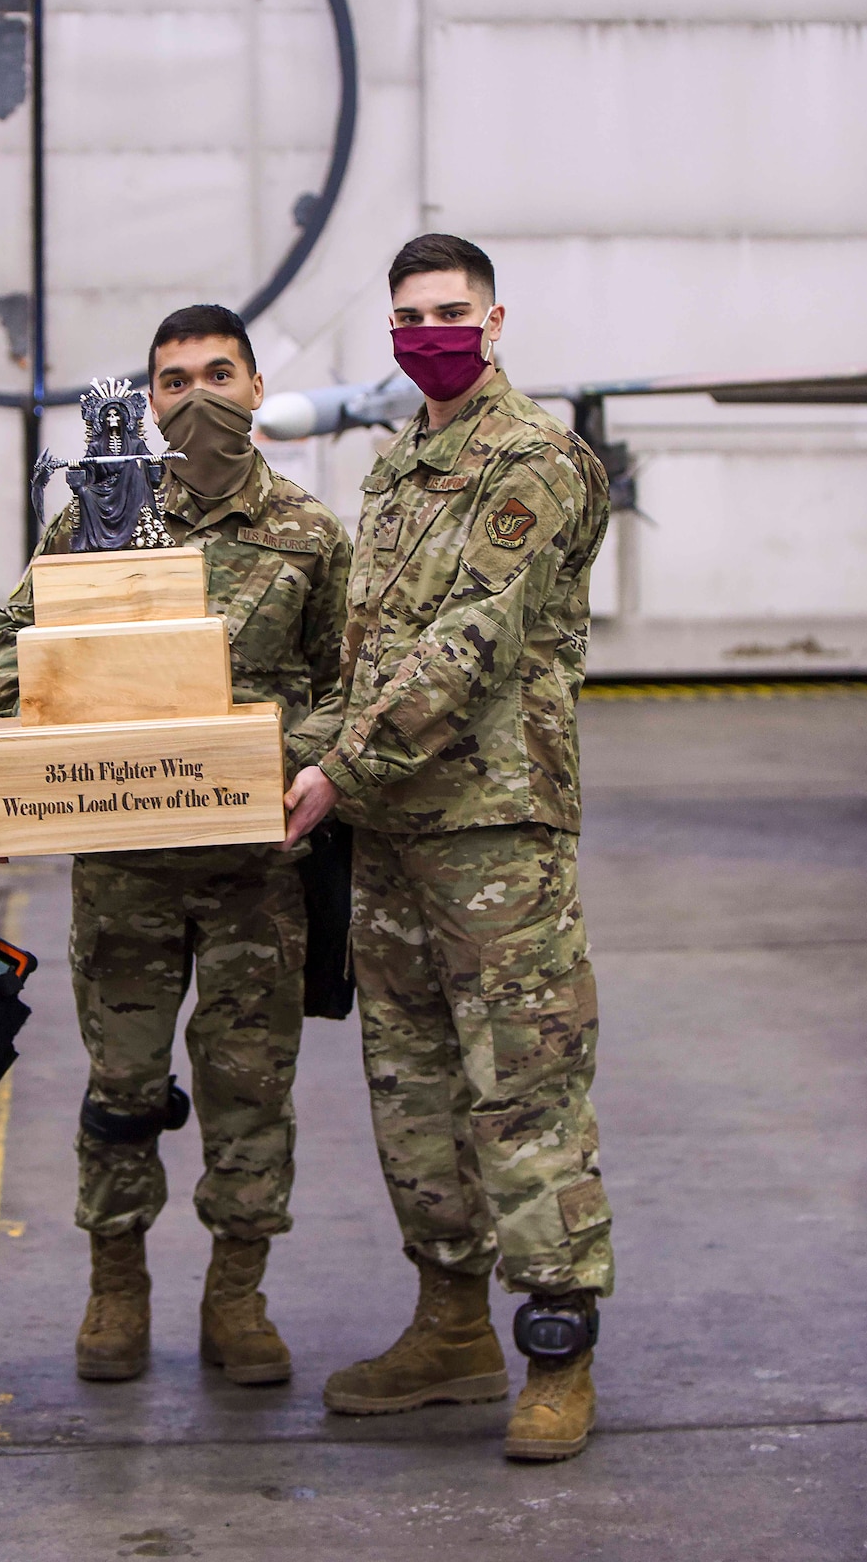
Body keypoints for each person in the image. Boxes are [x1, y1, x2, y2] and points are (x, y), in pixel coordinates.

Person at [283, 235, 614, 1463]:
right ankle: (449, 1324)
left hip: (495, 829)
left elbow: (466, 646)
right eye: (410, 314)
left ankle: (558, 1346)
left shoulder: (534, 461)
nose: (430, 329)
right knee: (412, 1089)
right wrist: (274, 758)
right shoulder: (395, 472)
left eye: (451, 310)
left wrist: (332, 771)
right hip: (392, 837)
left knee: (522, 1084)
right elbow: (368, 660)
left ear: (495, 317)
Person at [0, 306, 351, 1386]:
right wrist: (58, 716)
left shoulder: (309, 532)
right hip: (126, 865)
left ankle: (237, 1294)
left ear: (255, 385)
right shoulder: (97, 516)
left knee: (249, 1087)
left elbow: (346, 681)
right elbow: (13, 643)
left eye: (216, 374)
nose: (193, 396)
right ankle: (117, 1283)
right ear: (146, 400)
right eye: (171, 380)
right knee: (122, 1084)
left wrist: (307, 763)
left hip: (256, 869)